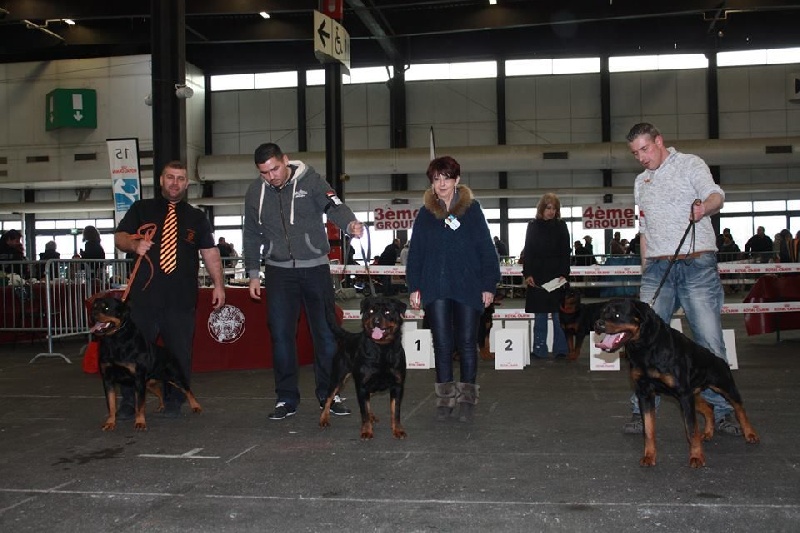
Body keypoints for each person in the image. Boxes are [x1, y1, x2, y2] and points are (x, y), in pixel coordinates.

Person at [625, 122, 741, 436]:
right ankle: (641, 411)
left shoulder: (690, 164)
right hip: (657, 269)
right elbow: (644, 231)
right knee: (641, 339)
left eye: (645, 149)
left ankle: (723, 413)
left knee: (709, 342)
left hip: (696, 266)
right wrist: (645, 272)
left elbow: (716, 195)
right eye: (635, 153)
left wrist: (704, 208)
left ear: (659, 141)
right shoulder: (641, 181)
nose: (641, 157)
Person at [243, 142, 364, 421]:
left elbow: (335, 206)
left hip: (315, 269)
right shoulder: (254, 192)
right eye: (264, 173)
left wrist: (350, 225)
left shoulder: (312, 181)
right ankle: (286, 398)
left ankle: (329, 394)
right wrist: (253, 273)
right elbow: (250, 233)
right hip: (278, 273)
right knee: (281, 336)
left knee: (325, 335)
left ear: (285, 160)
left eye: (274, 169)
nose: (271, 176)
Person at [115, 160, 226, 418]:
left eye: (180, 178)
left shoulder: (197, 217)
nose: (175, 183)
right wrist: (134, 245)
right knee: (133, 353)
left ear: (186, 184)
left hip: (181, 300)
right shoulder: (141, 209)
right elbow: (120, 237)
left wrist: (218, 285)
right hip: (144, 299)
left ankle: (174, 399)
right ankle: (129, 401)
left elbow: (210, 252)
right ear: (161, 180)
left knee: (179, 354)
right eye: (170, 177)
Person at [406, 156, 500, 423]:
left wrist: (488, 284)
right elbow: (416, 253)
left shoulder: (472, 210)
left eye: (446, 178)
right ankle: (445, 399)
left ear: (457, 180)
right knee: (442, 344)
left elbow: (486, 249)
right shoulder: (425, 214)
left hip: (468, 286)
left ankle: (467, 400)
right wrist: (414, 286)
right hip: (434, 287)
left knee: (468, 344)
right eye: (437, 179)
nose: (442, 183)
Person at [522, 193, 571, 359]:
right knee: (540, 315)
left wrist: (564, 274)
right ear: (541, 208)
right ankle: (539, 349)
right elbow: (528, 251)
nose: (551, 211)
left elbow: (565, 252)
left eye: (554, 209)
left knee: (559, 316)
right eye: (549, 208)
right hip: (537, 275)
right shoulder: (532, 226)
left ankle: (561, 350)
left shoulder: (562, 226)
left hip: (557, 276)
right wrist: (527, 273)